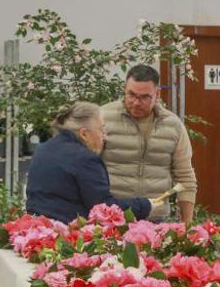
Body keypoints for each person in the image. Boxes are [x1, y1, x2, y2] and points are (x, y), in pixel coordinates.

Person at [26, 101, 154, 223]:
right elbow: (102, 209)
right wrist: (144, 205)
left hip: (38, 232)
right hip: (68, 237)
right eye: (101, 130)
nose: (105, 137)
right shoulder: (85, 159)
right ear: (84, 134)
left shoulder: (42, 150)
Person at [101, 65, 197, 223]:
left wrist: (187, 225)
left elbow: (185, 178)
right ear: (125, 89)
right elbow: (86, 170)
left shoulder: (173, 125)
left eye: (144, 97)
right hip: (112, 219)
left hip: (155, 219)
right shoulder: (102, 118)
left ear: (157, 94)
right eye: (131, 94)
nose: (136, 102)